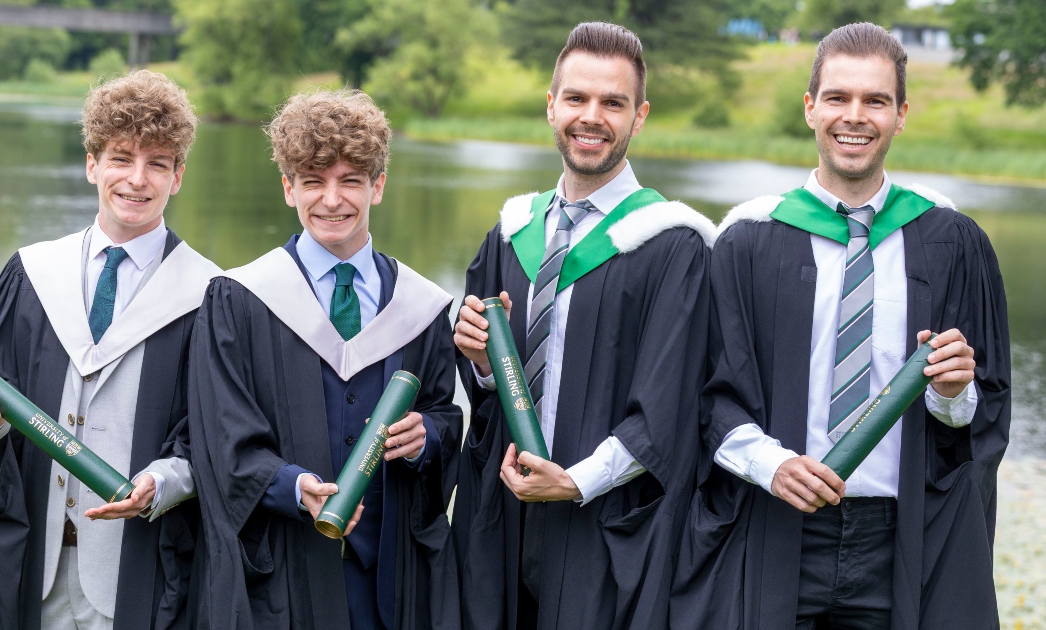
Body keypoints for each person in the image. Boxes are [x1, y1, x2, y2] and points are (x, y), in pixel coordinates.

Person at [672, 22, 1010, 630]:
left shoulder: (952, 243)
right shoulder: (747, 243)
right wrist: (769, 463)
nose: (855, 117)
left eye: (875, 100)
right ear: (810, 107)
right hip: (770, 531)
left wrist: (954, 393)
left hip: (902, 540)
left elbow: (984, 414)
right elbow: (702, 395)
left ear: (901, 114)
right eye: (838, 97)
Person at [0, 69, 221, 630]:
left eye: (157, 163)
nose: (136, 179)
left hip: (144, 576)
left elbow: (221, 436)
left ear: (178, 176)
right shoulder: (33, 275)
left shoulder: (210, 296)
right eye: (120, 158)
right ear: (91, 165)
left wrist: (166, 481)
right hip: (35, 569)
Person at [451, 22, 713, 630]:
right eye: (576, 98)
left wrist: (574, 481)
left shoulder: (673, 245)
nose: (591, 117)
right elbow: (484, 391)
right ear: (551, 107)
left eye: (612, 103)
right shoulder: (513, 232)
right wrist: (484, 365)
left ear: (639, 116)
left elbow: (668, 409)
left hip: (607, 523)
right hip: (502, 513)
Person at [186, 89, 462, 629]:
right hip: (279, 581)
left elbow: (446, 418)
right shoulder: (241, 299)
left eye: (350, 181)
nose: (331, 200)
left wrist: (427, 436)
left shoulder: (422, 307)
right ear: (289, 188)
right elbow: (220, 435)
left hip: (390, 583)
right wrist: (288, 485)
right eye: (313, 181)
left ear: (377, 186)